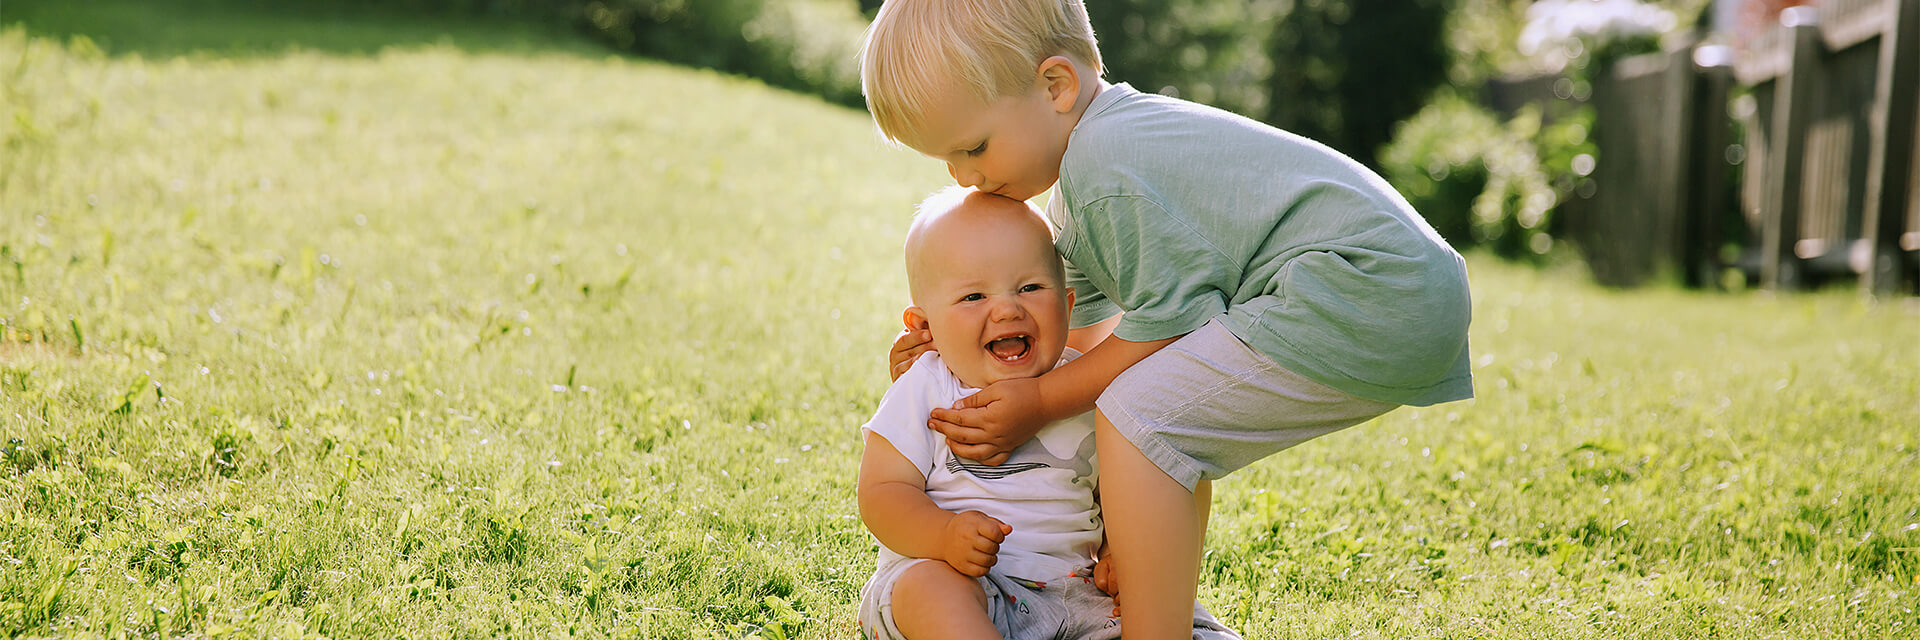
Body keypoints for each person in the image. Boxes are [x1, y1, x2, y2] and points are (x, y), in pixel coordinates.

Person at [858, 1, 1476, 638]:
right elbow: (1082, 343)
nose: (965, 176)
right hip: (1401, 282)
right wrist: (951, 345)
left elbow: (1169, 327)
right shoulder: (1095, 171)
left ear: (1056, 86)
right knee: (1148, 415)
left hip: (1364, 284)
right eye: (948, 162)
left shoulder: (1104, 166)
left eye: (974, 147)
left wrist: (1039, 399)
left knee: (1141, 418)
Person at [856, 187, 1239, 640]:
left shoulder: (1086, 389)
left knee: (1168, 607)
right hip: (968, 582)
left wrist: (1118, 552)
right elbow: (881, 492)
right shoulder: (928, 385)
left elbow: (1133, 488)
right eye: (974, 296)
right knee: (926, 589)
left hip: (1076, 593)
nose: (1006, 308)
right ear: (925, 326)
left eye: (1031, 287)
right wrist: (942, 535)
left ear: (1068, 304)